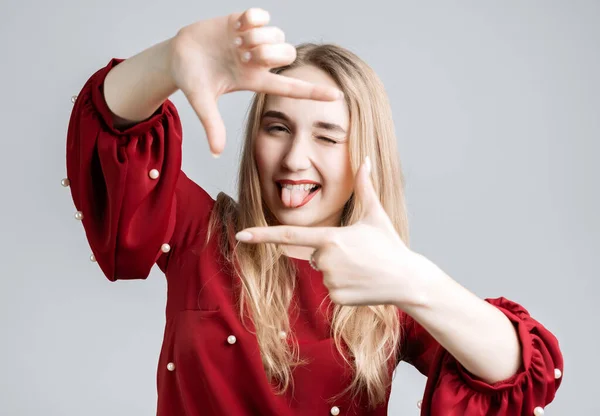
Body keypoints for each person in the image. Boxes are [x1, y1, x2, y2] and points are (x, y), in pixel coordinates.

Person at [64, 8, 563, 416]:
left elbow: (519, 374)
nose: (295, 158)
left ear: (365, 153)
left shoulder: (387, 284)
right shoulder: (203, 232)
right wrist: (169, 61)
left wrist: (414, 281)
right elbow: (114, 133)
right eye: (277, 127)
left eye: (327, 136)